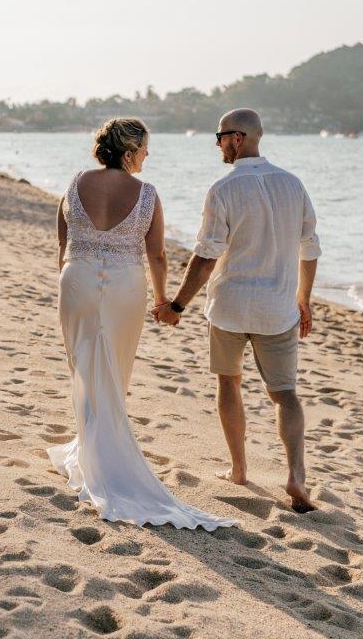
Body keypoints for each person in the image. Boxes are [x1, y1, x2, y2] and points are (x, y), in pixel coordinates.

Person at [48, 117, 237, 532]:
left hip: (76, 280)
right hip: (123, 287)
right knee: (115, 372)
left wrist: (75, 273)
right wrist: (162, 299)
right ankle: (103, 458)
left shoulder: (75, 183)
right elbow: (157, 256)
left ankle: (90, 450)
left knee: (81, 366)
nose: (148, 155)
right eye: (146, 148)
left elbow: (62, 245)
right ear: (130, 152)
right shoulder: (146, 194)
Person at [155, 108, 321, 513]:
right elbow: (310, 247)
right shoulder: (293, 184)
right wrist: (304, 298)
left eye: (220, 137)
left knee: (229, 384)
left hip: (229, 307)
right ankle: (296, 476)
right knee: (285, 394)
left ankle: (239, 471)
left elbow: (206, 257)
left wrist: (176, 305)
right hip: (277, 308)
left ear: (238, 138)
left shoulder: (223, 189)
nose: (218, 144)